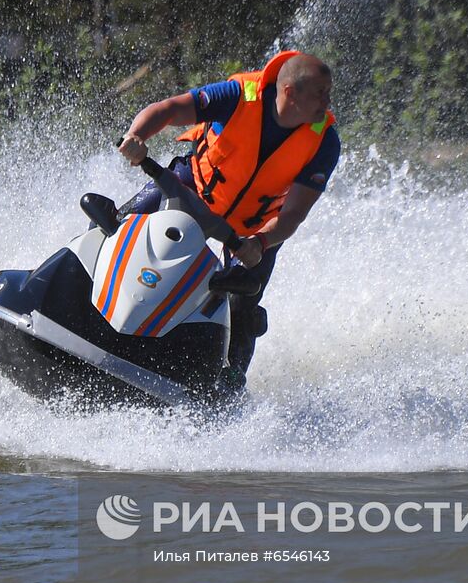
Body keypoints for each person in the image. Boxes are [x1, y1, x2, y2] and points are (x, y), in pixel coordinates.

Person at [116, 50, 339, 393]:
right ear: (291, 93)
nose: (327, 101)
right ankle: (74, 297)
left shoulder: (325, 142)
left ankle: (228, 384)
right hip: (193, 190)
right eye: (320, 93)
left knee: (243, 305)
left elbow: (293, 213)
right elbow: (169, 109)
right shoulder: (239, 95)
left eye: (328, 92)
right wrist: (137, 136)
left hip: (254, 231)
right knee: (122, 227)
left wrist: (261, 243)